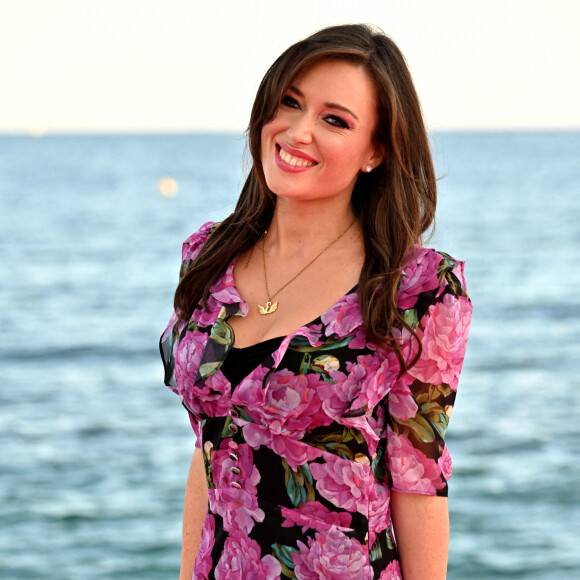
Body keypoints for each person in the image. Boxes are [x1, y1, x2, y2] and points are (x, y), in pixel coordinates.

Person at [160, 23, 472, 580]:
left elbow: (418, 485)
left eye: (334, 120)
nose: (298, 131)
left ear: (375, 150)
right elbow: (213, 448)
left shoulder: (414, 290)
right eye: (290, 102)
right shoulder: (210, 259)